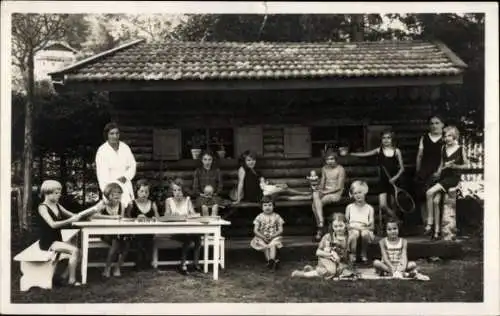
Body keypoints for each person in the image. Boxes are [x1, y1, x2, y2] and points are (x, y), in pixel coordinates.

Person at [36, 180, 97, 287]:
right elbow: (53, 224)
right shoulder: (42, 207)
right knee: (75, 251)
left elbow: (73, 215)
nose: (59, 195)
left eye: (59, 192)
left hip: (56, 240)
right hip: (48, 241)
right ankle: (71, 280)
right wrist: (70, 220)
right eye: (56, 192)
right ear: (47, 193)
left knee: (79, 253)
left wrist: (87, 214)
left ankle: (63, 277)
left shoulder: (57, 205)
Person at [350, 129, 404, 222]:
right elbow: (365, 154)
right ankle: (397, 219)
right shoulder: (379, 150)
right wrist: (352, 154)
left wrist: (395, 178)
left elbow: (402, 168)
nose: (386, 140)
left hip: (394, 181)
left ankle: (393, 224)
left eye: (388, 138)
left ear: (392, 139)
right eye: (384, 138)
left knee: (393, 204)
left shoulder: (397, 151)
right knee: (383, 205)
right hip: (383, 181)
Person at [425, 126, 469, 239]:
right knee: (435, 201)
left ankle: (429, 223)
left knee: (429, 193)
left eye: (449, 135)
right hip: (443, 178)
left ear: (454, 136)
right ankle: (436, 232)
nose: (447, 138)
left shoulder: (460, 148)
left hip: (452, 178)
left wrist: (454, 166)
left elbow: (466, 165)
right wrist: (438, 172)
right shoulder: (443, 148)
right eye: (445, 136)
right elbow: (441, 165)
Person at [291, 213, 355, 279]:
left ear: (346, 225)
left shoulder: (351, 237)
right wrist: (331, 254)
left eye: (341, 226)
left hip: (340, 261)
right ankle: (303, 274)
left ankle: (312, 270)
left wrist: (350, 264)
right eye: (335, 226)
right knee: (331, 272)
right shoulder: (327, 237)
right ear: (332, 227)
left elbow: (352, 253)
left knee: (341, 271)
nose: (338, 229)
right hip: (327, 258)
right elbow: (318, 252)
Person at [90, 182, 130, 278]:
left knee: (127, 240)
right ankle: (107, 268)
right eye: (115, 197)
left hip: (118, 232)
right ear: (108, 196)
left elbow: (122, 219)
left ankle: (117, 267)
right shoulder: (103, 204)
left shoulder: (122, 205)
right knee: (116, 240)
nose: (117, 199)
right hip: (104, 233)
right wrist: (111, 218)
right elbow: (92, 216)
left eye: (119, 196)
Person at [164, 178, 202, 275]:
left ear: (183, 190)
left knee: (198, 238)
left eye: (179, 190)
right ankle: (182, 264)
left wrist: (190, 215)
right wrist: (174, 216)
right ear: (172, 191)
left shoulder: (187, 200)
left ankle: (196, 263)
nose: (177, 192)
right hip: (174, 231)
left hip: (188, 230)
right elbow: (166, 216)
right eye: (175, 190)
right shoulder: (169, 201)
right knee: (188, 239)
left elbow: (194, 214)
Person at [95, 122, 137, 209]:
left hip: (125, 183)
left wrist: (126, 176)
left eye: (117, 133)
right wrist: (108, 192)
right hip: (111, 186)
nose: (115, 136)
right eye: (112, 133)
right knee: (115, 212)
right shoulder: (102, 151)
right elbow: (102, 175)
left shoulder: (125, 147)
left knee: (128, 209)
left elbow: (132, 165)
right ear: (107, 135)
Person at [415, 115, 445, 233]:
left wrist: (440, 170)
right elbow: (420, 155)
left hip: (439, 170)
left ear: (442, 124)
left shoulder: (445, 138)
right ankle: (426, 224)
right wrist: (418, 171)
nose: (434, 126)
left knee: (436, 198)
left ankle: (437, 225)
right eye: (432, 123)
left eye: (437, 123)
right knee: (423, 197)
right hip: (425, 170)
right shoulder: (425, 138)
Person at [311, 150, 346, 241]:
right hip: (325, 191)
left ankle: (320, 229)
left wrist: (325, 193)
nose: (330, 161)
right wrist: (318, 189)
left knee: (315, 205)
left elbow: (339, 187)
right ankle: (321, 223)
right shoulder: (324, 168)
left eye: (332, 159)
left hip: (335, 193)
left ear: (336, 159)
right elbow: (323, 182)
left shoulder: (340, 169)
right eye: (327, 159)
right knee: (315, 195)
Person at [126, 179, 159, 270]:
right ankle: (139, 263)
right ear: (137, 192)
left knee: (149, 239)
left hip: (149, 232)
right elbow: (127, 219)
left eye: (146, 191)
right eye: (141, 191)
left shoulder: (152, 204)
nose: (144, 194)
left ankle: (147, 262)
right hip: (135, 233)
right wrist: (135, 218)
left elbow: (159, 219)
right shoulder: (132, 204)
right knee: (139, 239)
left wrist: (154, 219)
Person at [250, 196, 285, 270]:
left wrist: (273, 236)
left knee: (273, 244)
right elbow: (255, 230)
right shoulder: (259, 217)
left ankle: (271, 260)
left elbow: (281, 230)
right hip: (262, 237)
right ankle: (271, 262)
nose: (267, 207)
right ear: (262, 207)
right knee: (265, 246)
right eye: (265, 205)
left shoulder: (277, 216)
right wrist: (263, 237)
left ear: (273, 206)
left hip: (273, 236)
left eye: (270, 205)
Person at [345, 180, 375, 263]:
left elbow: (372, 226)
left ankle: (363, 253)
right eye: (355, 193)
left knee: (364, 233)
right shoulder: (349, 207)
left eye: (360, 192)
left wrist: (364, 228)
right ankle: (353, 255)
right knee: (355, 233)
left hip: (365, 229)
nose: (358, 195)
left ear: (365, 192)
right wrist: (354, 227)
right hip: (352, 229)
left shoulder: (369, 208)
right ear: (352, 195)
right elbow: (346, 223)